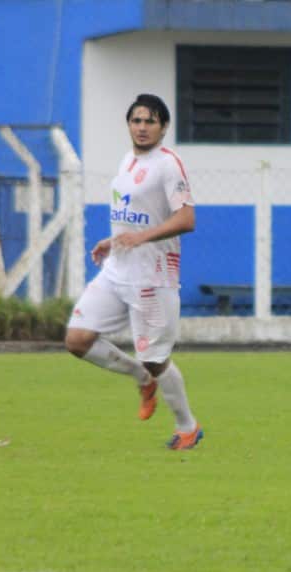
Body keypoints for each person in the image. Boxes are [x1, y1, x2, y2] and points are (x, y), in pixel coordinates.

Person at [63, 94, 202, 450]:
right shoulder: (127, 160)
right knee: (77, 340)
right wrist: (113, 241)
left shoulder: (168, 165)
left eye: (150, 121)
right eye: (136, 120)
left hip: (152, 278)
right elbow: (133, 213)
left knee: (156, 359)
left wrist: (141, 238)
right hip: (116, 271)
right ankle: (140, 378)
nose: (142, 127)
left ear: (164, 127)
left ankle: (188, 427)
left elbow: (186, 219)